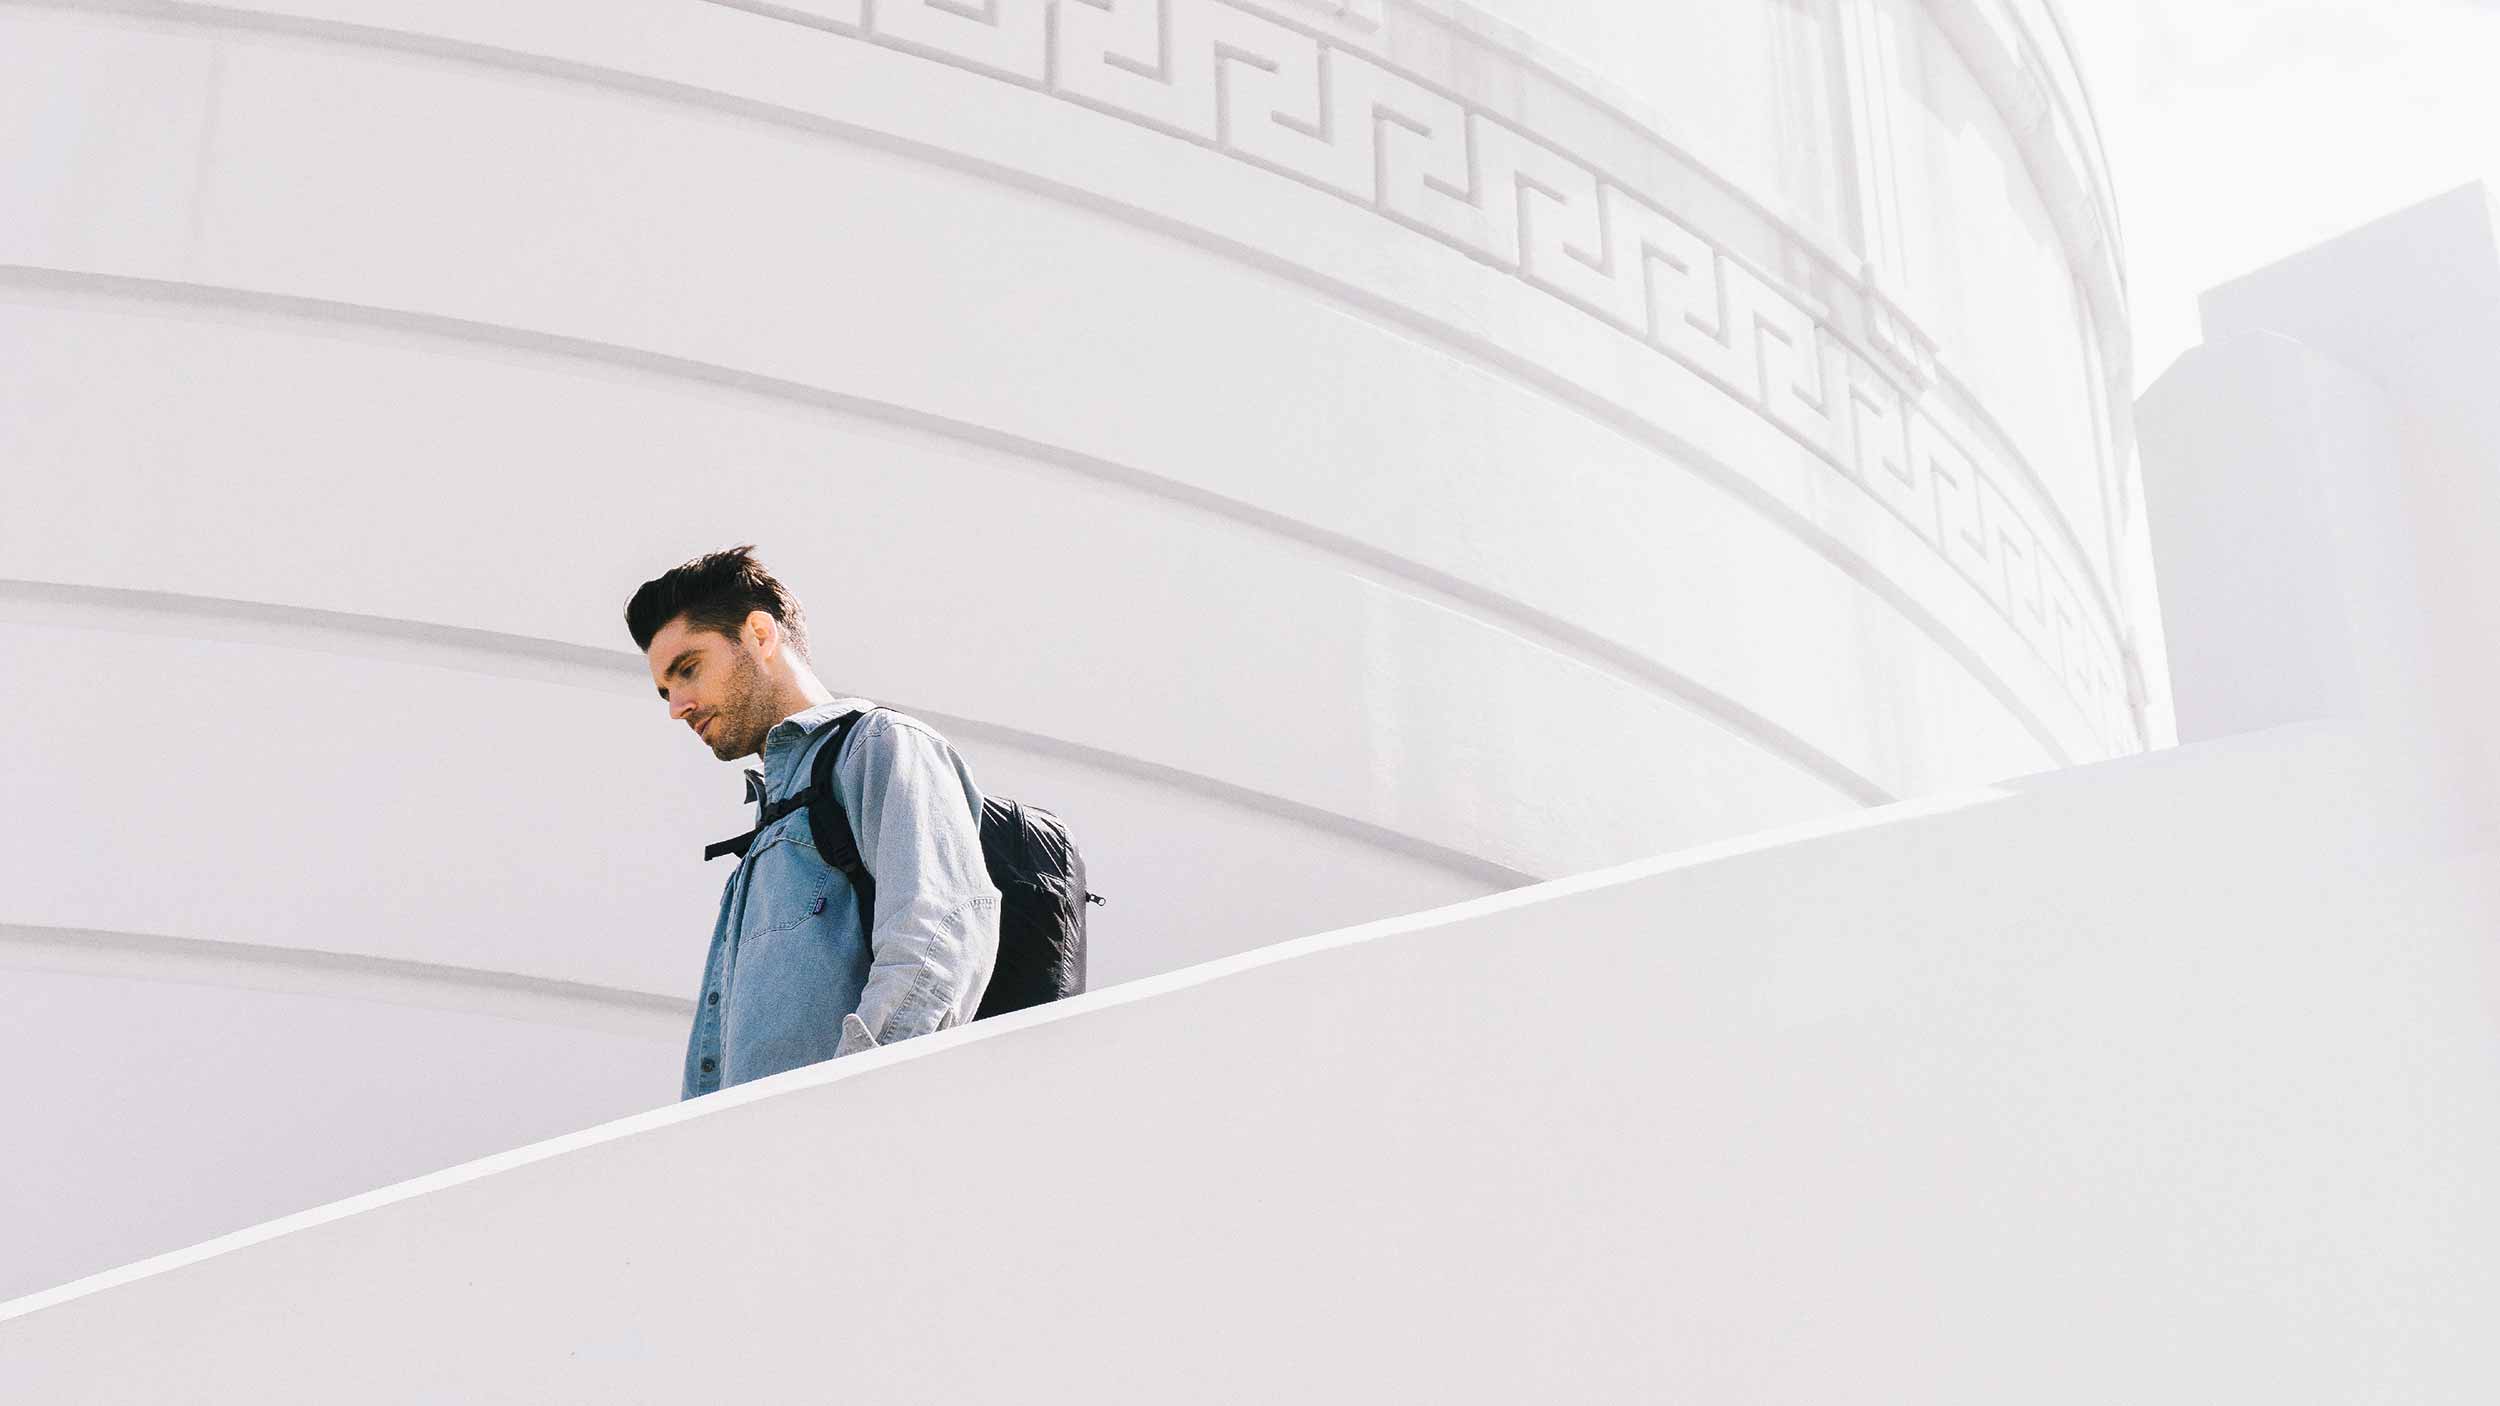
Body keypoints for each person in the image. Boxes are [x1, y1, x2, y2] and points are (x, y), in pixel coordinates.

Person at [625, 545, 1000, 1099]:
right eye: (665, 690)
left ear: (759, 634)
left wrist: (845, 1110)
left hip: (844, 1150)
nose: (676, 706)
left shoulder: (877, 747)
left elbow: (938, 938)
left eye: (688, 669)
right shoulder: (770, 824)